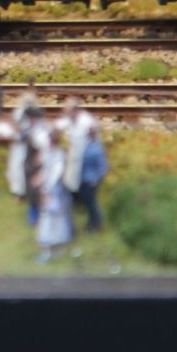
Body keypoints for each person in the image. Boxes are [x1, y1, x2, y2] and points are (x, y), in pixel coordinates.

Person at [59, 96, 108, 233]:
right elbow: (62, 124)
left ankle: (96, 224)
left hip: (89, 176)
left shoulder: (87, 126)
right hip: (81, 169)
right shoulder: (74, 120)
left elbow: (100, 163)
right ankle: (86, 220)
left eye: (67, 111)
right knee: (78, 195)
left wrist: (96, 178)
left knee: (90, 201)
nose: (66, 113)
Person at [34, 134, 74, 262]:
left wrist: (46, 190)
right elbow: (44, 170)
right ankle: (47, 247)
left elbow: (55, 175)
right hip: (48, 191)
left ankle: (56, 248)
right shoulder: (48, 154)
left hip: (56, 193)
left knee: (56, 219)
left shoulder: (59, 156)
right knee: (46, 218)